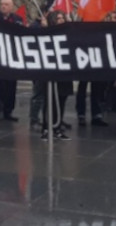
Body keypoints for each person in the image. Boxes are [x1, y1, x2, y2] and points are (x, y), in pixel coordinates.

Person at [39, 10, 73, 141]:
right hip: (50, 73)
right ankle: (47, 128)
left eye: (62, 18)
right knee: (50, 101)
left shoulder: (68, 32)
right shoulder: (48, 32)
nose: (61, 20)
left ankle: (57, 127)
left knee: (62, 100)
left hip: (64, 73)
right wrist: (44, 28)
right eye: (58, 18)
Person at [0, 0, 23, 122]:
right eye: (2, 4)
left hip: (12, 58)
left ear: (11, 6)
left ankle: (8, 111)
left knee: (11, 86)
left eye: (6, 4)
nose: (3, 6)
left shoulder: (17, 20)